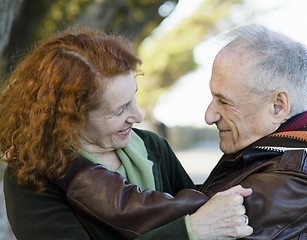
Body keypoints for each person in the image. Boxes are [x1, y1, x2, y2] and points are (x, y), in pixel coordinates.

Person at [49, 23, 307, 239]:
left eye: (224, 101)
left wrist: (68, 167)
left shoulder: (301, 179)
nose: (209, 115)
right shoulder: (271, 153)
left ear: (278, 105)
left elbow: (177, 215)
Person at [0, 29, 254, 240]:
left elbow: (199, 207)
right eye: (119, 110)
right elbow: (196, 223)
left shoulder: (153, 146)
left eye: (133, 98)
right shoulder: (31, 176)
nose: (137, 116)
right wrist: (190, 231)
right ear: (71, 117)